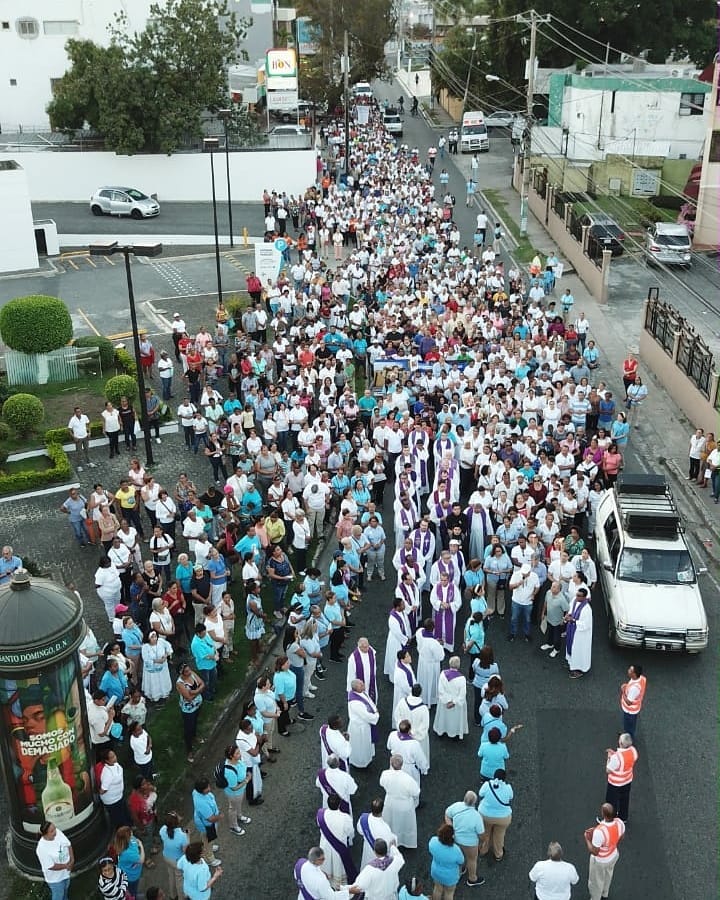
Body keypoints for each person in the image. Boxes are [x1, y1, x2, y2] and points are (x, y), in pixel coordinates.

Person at [583, 803, 625, 900]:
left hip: (600, 861)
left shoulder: (599, 831)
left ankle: (595, 898)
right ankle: (605, 893)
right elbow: (621, 837)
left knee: (596, 882)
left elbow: (594, 852)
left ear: (603, 814)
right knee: (608, 875)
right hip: (613, 855)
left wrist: (587, 839)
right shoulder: (619, 823)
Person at [444, 791, 485, 887]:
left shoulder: (456, 806)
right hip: (470, 843)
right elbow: (481, 834)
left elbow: (447, 814)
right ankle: (472, 879)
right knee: (472, 860)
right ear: (474, 802)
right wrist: (482, 842)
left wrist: (451, 828)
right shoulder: (476, 816)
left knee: (459, 857)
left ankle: (460, 870)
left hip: (456, 840)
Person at [379, 755, 420, 849]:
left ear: (390, 763)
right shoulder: (408, 779)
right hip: (404, 806)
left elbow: (381, 783)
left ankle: (390, 840)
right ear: (402, 765)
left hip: (390, 803)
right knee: (405, 824)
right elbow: (416, 792)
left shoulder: (385, 774)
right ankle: (405, 842)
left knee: (391, 823)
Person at [316, 793, 356, 887]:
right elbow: (350, 831)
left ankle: (326, 879)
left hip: (325, 844)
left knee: (326, 863)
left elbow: (319, 825)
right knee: (338, 865)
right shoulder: (345, 818)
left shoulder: (321, 814)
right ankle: (338, 884)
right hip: (339, 847)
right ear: (339, 805)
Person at [478, 768, 513, 862]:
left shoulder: (487, 785)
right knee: (500, 835)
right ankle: (498, 854)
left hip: (485, 815)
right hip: (503, 818)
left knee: (486, 832)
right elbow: (510, 798)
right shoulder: (508, 788)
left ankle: (483, 850)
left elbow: (480, 794)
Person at [432, 657, 468, 740]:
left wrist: (447, 700)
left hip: (444, 701)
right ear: (458, 665)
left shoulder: (442, 674)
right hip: (456, 703)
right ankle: (455, 732)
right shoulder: (461, 679)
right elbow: (462, 694)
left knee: (444, 717)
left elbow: (440, 690)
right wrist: (454, 702)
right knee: (454, 719)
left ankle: (442, 729)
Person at [347, 678, 380, 769]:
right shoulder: (355, 702)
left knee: (366, 745)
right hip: (360, 728)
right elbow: (365, 716)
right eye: (361, 685)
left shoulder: (362, 693)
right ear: (356, 688)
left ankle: (367, 758)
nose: (364, 685)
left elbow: (369, 702)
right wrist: (376, 715)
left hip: (364, 725)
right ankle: (360, 763)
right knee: (361, 747)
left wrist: (374, 709)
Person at [36, 821, 73, 900]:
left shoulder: (58, 833)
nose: (55, 832)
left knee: (65, 892)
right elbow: (51, 866)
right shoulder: (41, 849)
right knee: (58, 896)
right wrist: (66, 866)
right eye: (52, 831)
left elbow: (68, 844)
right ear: (45, 834)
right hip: (56, 879)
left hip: (66, 873)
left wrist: (72, 860)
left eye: (54, 828)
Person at [356, 799, 397, 869]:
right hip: (379, 854)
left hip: (368, 847)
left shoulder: (363, 818)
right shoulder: (385, 828)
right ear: (382, 810)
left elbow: (359, 830)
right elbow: (389, 845)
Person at [605, 733, 637, 822]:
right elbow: (625, 757)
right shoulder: (633, 751)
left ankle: (610, 819)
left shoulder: (616, 758)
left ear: (621, 744)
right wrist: (614, 754)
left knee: (611, 801)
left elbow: (608, 770)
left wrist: (609, 757)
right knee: (624, 799)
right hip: (627, 781)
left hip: (615, 783)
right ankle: (623, 817)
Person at [176, 662, 204, 763]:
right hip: (188, 709)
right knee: (188, 728)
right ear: (182, 673)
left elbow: (202, 684)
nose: (189, 672)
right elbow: (188, 698)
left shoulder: (192, 674)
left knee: (195, 722)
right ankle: (189, 750)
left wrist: (195, 692)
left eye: (189, 669)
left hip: (197, 704)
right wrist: (198, 691)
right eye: (186, 671)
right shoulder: (180, 683)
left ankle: (195, 736)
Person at [427, 823, 464, 900]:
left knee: (437, 888)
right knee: (449, 893)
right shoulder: (456, 850)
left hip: (436, 871)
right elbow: (461, 861)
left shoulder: (433, 841)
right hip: (450, 876)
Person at [222, 743, 252, 836]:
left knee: (238, 804)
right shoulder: (229, 771)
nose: (240, 754)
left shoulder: (237, 761)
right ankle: (233, 826)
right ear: (231, 756)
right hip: (234, 793)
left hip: (240, 790)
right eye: (237, 753)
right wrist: (247, 780)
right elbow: (234, 787)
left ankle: (239, 816)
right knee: (233, 808)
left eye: (239, 752)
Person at [192, 778, 222, 866]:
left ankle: (210, 848)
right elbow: (211, 819)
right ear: (201, 790)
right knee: (207, 841)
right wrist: (219, 816)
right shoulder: (202, 803)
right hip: (207, 826)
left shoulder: (196, 792)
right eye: (207, 788)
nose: (209, 788)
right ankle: (209, 859)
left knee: (208, 840)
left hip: (206, 823)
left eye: (208, 786)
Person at [159, 811, 189, 900]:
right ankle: (181, 897)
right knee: (179, 879)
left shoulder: (162, 829)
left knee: (171, 875)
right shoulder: (182, 836)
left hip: (166, 856)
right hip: (177, 860)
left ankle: (172, 895)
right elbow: (185, 850)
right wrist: (188, 836)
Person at [564, 587, 593, 678]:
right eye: (576, 595)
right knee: (570, 647)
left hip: (580, 635)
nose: (576, 597)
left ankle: (578, 670)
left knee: (578, 651)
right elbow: (571, 609)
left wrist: (573, 620)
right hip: (571, 629)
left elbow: (586, 625)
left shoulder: (587, 609)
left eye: (579, 596)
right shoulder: (575, 600)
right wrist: (568, 614)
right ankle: (571, 663)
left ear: (584, 597)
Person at [620, 664, 646, 738]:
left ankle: (627, 739)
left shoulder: (634, 689)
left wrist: (623, 691)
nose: (628, 670)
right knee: (630, 725)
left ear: (634, 674)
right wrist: (627, 686)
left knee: (629, 726)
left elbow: (629, 702)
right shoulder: (642, 679)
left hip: (630, 711)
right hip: (635, 708)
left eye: (630, 670)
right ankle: (626, 735)